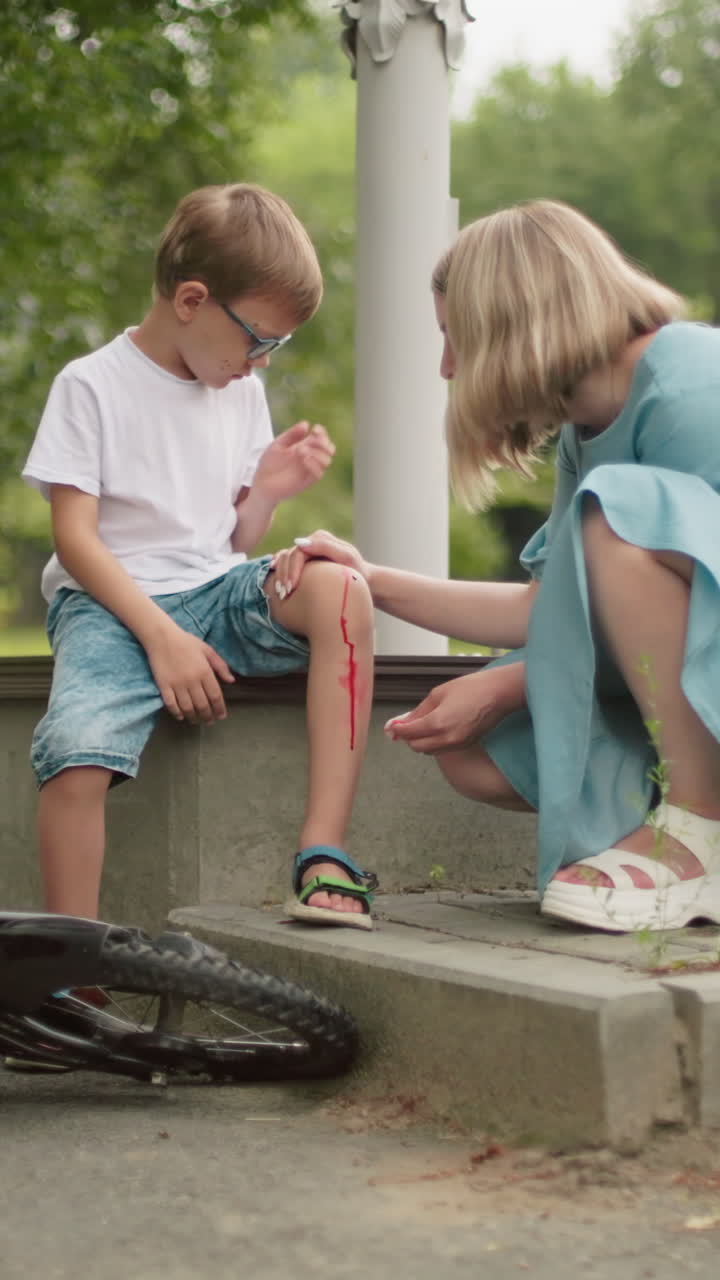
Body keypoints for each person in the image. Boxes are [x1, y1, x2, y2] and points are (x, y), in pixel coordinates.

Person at [270, 198, 720, 934]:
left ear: (514, 322)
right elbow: (550, 608)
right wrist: (369, 577)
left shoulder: (694, 383)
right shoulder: (588, 431)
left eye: (456, 338)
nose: (448, 366)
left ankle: (698, 828)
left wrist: (517, 678)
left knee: (614, 510)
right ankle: (670, 826)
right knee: (478, 752)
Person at [22, 182, 378, 932]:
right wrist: (162, 637)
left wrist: (270, 492)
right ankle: (68, 966)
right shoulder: (90, 386)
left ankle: (322, 850)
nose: (262, 363)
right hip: (114, 606)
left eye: (274, 347)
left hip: (215, 590)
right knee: (74, 749)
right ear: (191, 300)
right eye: (258, 339)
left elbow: (231, 541)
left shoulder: (237, 392)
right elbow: (75, 541)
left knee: (342, 590)